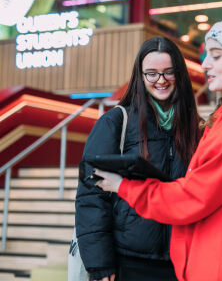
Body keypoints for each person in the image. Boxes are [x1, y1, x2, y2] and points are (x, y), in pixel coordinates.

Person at [95, 18, 222, 281]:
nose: (206, 64)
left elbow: (194, 196)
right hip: (219, 265)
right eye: (206, 55)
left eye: (216, 56)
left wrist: (125, 187)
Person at [75, 36, 202, 281]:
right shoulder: (116, 122)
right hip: (129, 260)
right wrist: (100, 263)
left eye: (168, 72)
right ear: (140, 77)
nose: (161, 80)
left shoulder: (195, 128)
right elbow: (91, 196)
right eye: (152, 74)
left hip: (184, 261)